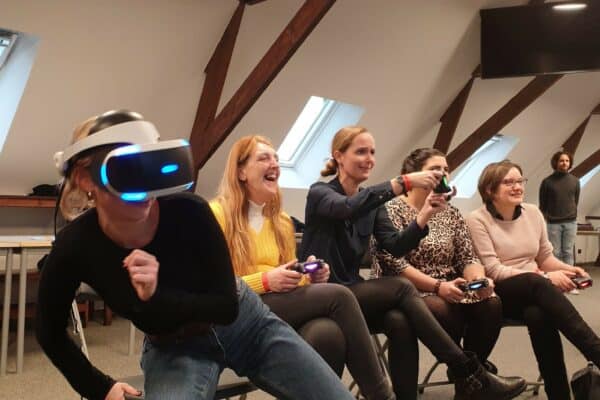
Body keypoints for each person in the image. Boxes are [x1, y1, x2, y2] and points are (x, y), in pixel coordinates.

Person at [36, 110, 357, 400]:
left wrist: (156, 296)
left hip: (248, 325)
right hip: (173, 350)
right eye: (128, 173)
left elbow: (225, 307)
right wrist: (100, 387)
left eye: (150, 170)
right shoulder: (76, 246)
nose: (146, 190)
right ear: (85, 178)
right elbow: (49, 331)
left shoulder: (189, 212)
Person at [300, 126, 526, 400]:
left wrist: (426, 213)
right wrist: (405, 181)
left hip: (352, 292)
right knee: (401, 287)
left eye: (372, 152)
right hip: (322, 292)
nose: (369, 159)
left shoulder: (374, 206)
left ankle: (422, 391)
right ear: (338, 156)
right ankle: (467, 371)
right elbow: (346, 208)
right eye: (361, 152)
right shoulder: (320, 192)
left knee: (399, 320)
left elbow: (396, 245)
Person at [210, 135, 395, 400]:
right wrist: (265, 280)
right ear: (241, 172)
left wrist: (309, 276)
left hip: (273, 309)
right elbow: (212, 286)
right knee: (340, 296)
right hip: (235, 312)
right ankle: (381, 395)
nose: (274, 164)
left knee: (326, 333)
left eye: (276, 158)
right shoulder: (217, 214)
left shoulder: (282, 222)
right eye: (263, 158)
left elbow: (287, 276)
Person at [466, 159, 600, 400]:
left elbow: (545, 257)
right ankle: (596, 351)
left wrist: (569, 269)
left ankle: (558, 394)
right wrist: (546, 277)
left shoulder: (533, 213)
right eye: (509, 182)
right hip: (500, 293)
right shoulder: (477, 219)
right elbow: (493, 270)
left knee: (539, 315)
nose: (517, 186)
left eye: (520, 181)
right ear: (490, 189)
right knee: (536, 283)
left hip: (536, 291)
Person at [372, 148, 503, 373]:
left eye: (446, 169)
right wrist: (438, 286)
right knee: (442, 309)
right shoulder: (391, 210)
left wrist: (478, 280)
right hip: (408, 288)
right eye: (435, 169)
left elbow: (467, 256)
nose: (443, 174)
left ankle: (469, 373)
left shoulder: (450, 212)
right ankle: (471, 373)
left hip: (450, 284)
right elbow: (394, 264)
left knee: (491, 303)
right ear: (415, 176)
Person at [539, 150, 580, 266]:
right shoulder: (547, 182)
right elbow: (543, 204)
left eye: (567, 161)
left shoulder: (575, 181)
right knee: (555, 253)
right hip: (553, 224)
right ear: (556, 162)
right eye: (561, 161)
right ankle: (557, 275)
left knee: (568, 252)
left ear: (570, 163)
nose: (564, 163)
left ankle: (569, 274)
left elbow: (575, 201)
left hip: (571, 222)